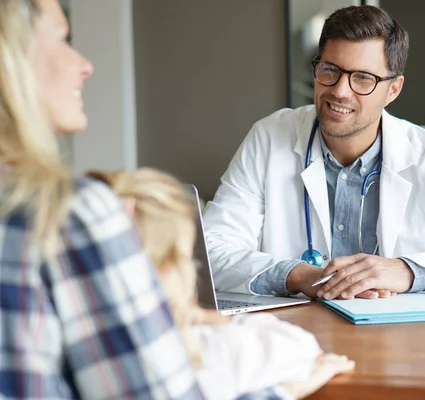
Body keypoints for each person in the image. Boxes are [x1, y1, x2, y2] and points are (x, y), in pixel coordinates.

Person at [0, 1, 314, 399]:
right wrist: (287, 389)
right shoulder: (66, 212)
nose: (85, 65)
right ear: (12, 57)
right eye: (64, 39)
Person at [203, 5, 425, 301]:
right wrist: (302, 276)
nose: (339, 91)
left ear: (393, 89)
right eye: (329, 70)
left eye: (362, 78)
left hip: (401, 345)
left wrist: (404, 271)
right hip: (298, 335)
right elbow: (210, 251)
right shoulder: (269, 137)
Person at [86, 168, 355, 400]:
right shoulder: (208, 350)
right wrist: (207, 317)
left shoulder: (90, 351)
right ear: (171, 270)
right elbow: (301, 348)